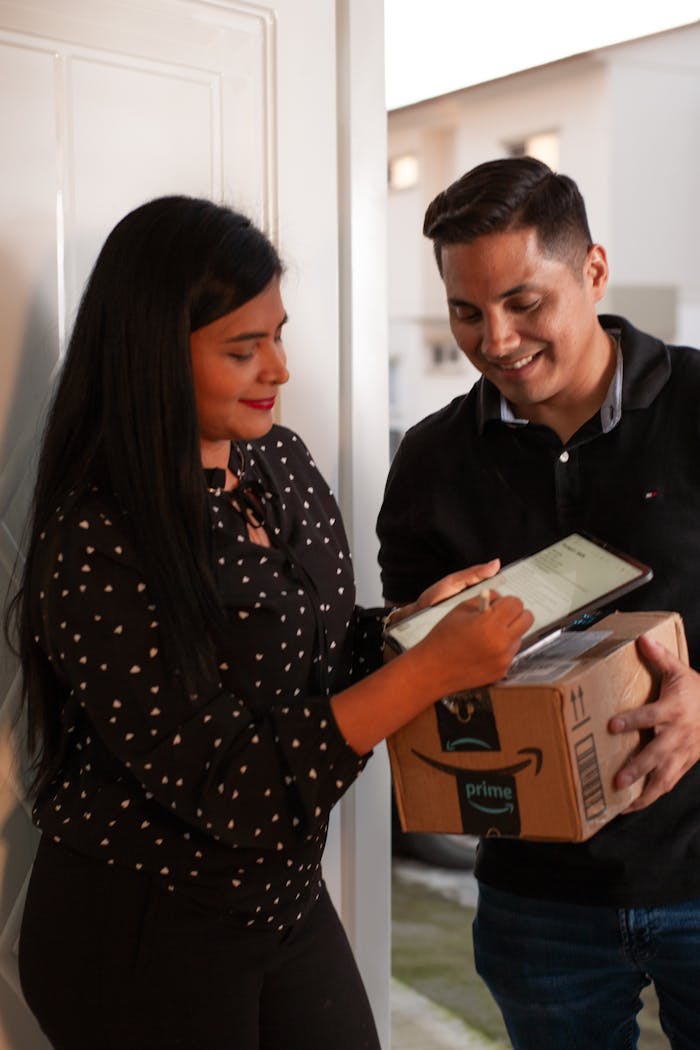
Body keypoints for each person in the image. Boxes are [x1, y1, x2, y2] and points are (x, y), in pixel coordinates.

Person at [5, 194, 532, 1050]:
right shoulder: (99, 536)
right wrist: (427, 671)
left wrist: (407, 626)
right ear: (150, 359)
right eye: (243, 350)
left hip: (277, 897)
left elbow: (308, 650)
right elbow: (235, 784)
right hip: (146, 924)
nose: (279, 369)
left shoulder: (272, 460)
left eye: (277, 334)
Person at [376, 156, 700, 1049]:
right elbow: (410, 669)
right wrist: (419, 638)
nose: (498, 339)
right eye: (466, 311)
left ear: (594, 270)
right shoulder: (433, 461)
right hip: (537, 901)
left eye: (525, 303)